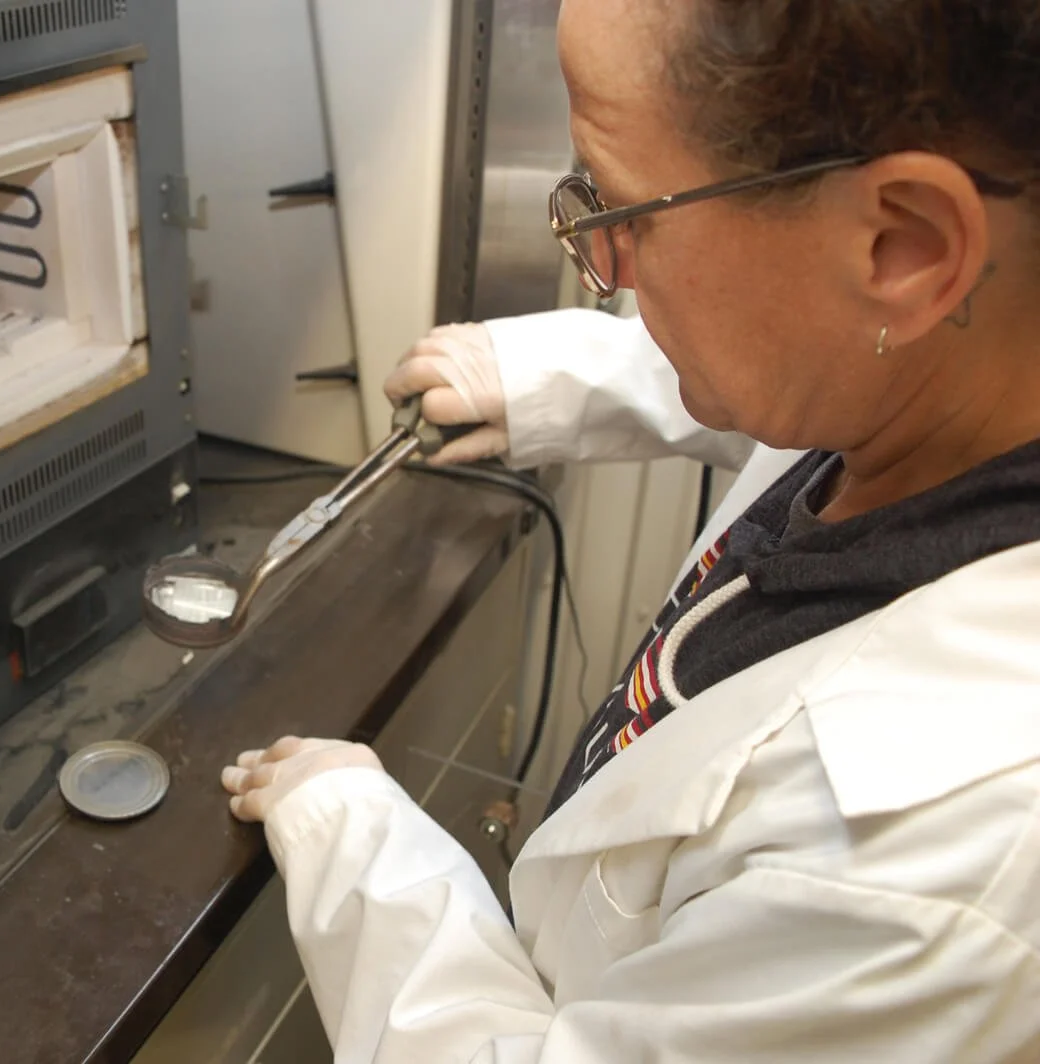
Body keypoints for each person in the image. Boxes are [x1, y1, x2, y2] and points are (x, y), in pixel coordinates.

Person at [219, 0, 1040, 1059]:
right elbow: (808, 335)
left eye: (623, 212)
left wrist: (357, 846)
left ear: (905, 242)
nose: (600, 264)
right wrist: (547, 376)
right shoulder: (948, 370)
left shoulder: (937, 859)